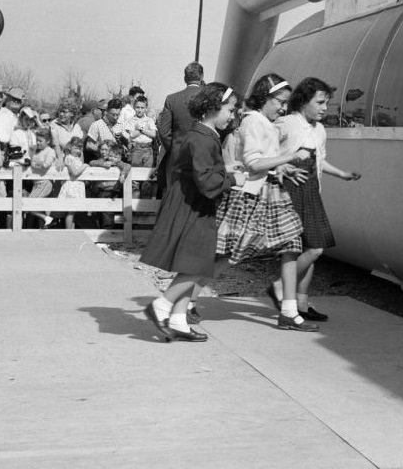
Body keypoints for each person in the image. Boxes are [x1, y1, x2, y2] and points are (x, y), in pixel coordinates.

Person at [141, 83, 243, 342]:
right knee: (198, 264)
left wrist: (227, 169)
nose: (232, 116)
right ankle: (161, 305)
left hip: (192, 204)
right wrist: (233, 180)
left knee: (192, 262)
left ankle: (178, 320)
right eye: (230, 110)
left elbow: (201, 169)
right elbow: (206, 181)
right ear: (213, 107)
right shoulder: (203, 137)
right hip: (193, 206)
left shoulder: (201, 134)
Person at [215, 74, 316, 330]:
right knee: (233, 252)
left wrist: (282, 169)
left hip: (271, 192)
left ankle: (289, 311)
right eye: (280, 102)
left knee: (291, 245)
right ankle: (186, 296)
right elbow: (253, 162)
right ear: (265, 98)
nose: (284, 108)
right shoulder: (254, 122)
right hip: (253, 195)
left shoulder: (262, 122)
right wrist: (290, 158)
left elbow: (265, 162)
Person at [274, 77, 362, 322]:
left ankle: (301, 303)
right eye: (320, 102)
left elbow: (319, 160)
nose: (325, 108)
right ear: (304, 101)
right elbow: (265, 150)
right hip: (291, 192)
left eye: (326, 103)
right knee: (313, 248)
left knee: (309, 247)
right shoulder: (287, 123)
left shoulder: (320, 129)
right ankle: (280, 287)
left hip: (312, 191)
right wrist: (280, 168)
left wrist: (342, 174)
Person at [155, 62, 205, 200]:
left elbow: (163, 130)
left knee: (175, 198)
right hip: (203, 155)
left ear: (185, 78)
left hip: (177, 156)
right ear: (201, 76)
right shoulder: (208, 98)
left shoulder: (172, 99)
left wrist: (174, 148)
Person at [119, 95, 157, 167]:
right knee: (135, 171)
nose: (140, 110)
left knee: (147, 172)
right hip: (136, 149)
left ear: (146, 108)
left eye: (142, 108)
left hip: (148, 149)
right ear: (134, 107)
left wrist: (140, 129)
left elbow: (153, 134)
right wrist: (144, 129)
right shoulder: (131, 120)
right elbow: (132, 135)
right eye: (137, 107)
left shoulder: (149, 120)